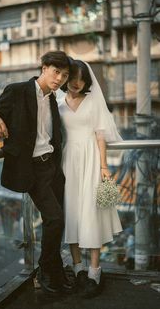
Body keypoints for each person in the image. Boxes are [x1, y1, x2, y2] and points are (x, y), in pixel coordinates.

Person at [0, 51, 73, 294]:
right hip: (30, 169)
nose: (59, 79)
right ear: (43, 68)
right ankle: (44, 271)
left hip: (51, 166)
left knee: (58, 220)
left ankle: (55, 271)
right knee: (54, 219)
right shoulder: (18, 90)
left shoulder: (53, 98)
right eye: (56, 72)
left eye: (64, 75)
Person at [58, 59, 123, 298]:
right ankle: (78, 269)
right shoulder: (58, 102)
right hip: (68, 162)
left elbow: (100, 136)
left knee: (92, 213)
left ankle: (95, 270)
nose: (76, 83)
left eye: (80, 78)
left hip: (91, 160)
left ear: (86, 80)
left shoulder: (94, 101)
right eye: (71, 77)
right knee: (72, 211)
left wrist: (104, 165)